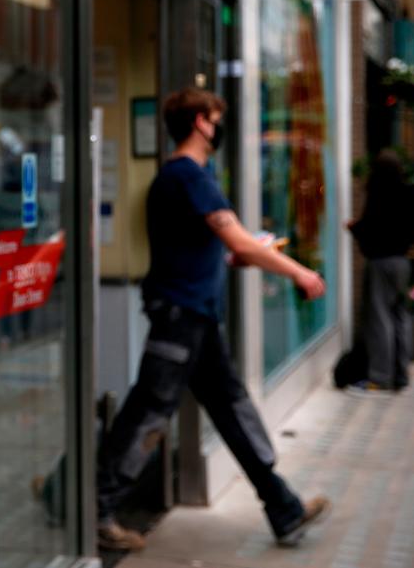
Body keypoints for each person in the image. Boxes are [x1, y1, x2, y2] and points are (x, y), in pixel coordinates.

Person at [97, 88, 330, 553]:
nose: (219, 125)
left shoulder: (188, 176)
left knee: (230, 410)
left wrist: (236, 257)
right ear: (201, 122)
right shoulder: (186, 175)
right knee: (148, 414)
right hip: (181, 318)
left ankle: (283, 508)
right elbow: (239, 242)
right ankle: (92, 510)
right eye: (217, 117)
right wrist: (300, 271)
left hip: (196, 318)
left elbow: (211, 247)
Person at [346, 150, 414, 394]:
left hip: (380, 262)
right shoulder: (410, 193)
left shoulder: (378, 194)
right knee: (400, 317)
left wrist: (354, 227)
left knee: (379, 318)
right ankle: (401, 375)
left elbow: (370, 227)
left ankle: (379, 377)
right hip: (402, 262)